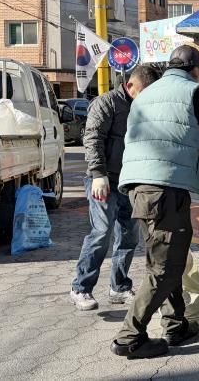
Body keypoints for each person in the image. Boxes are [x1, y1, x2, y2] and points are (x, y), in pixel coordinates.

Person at [110, 45, 199, 359]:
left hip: (138, 187)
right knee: (166, 267)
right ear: (196, 69)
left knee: (168, 259)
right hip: (165, 189)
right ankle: (129, 337)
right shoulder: (194, 92)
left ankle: (176, 324)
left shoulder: (146, 94)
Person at [70, 65, 160, 311]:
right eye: (144, 92)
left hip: (130, 181)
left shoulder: (144, 106)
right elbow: (92, 138)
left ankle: (119, 287)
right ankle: (81, 288)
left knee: (129, 235)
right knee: (101, 232)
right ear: (130, 86)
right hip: (104, 180)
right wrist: (98, 174)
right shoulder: (106, 103)